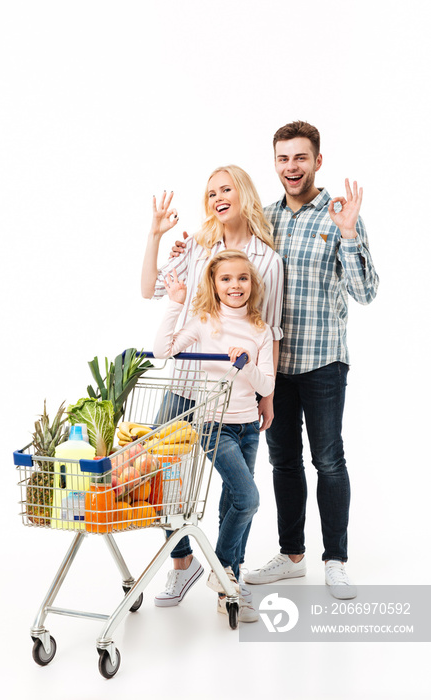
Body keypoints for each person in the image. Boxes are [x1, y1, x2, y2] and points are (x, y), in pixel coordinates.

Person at [171, 122, 379, 600]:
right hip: (270, 368)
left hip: (324, 359)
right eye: (284, 159)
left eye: (300, 158)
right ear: (275, 164)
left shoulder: (340, 215)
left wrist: (349, 235)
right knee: (284, 462)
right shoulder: (266, 219)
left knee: (328, 459)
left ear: (317, 161)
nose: (292, 167)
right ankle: (291, 555)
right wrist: (186, 251)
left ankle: (336, 560)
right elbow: (228, 268)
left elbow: (367, 293)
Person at [141, 165, 283, 607]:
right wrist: (156, 235)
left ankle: (229, 576)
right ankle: (183, 563)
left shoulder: (268, 261)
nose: (218, 198)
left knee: (236, 490)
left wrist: (267, 396)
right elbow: (151, 290)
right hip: (184, 383)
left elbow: (271, 330)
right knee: (160, 476)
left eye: (226, 189)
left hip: (235, 396)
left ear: (243, 194)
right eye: (211, 193)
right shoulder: (198, 246)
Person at [153, 250, 275, 622]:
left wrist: (248, 364)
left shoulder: (261, 330)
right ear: (214, 284)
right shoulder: (205, 321)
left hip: (247, 428)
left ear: (252, 284)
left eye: (242, 278)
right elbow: (163, 351)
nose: (235, 285)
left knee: (233, 503)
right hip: (213, 425)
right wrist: (174, 305)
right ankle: (223, 573)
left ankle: (228, 587)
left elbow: (266, 383)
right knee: (247, 498)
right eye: (226, 279)